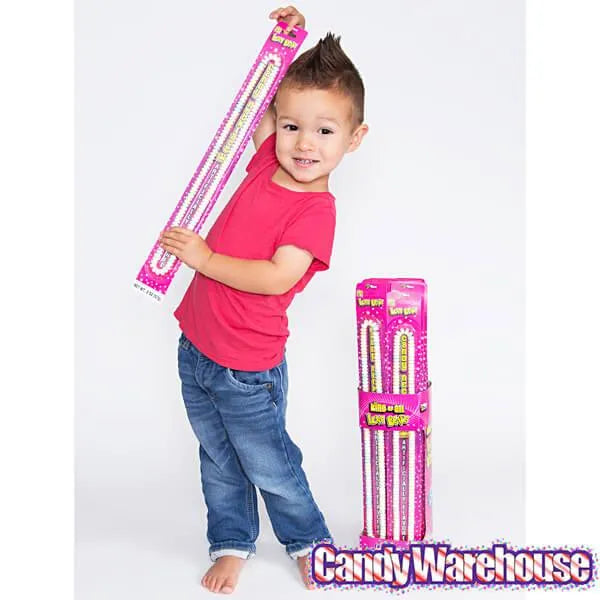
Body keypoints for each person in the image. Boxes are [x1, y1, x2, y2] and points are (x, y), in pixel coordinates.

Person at [159, 5, 369, 593]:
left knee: (271, 465)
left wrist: (204, 259)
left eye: (324, 131)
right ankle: (232, 541)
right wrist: (285, 42)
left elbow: (278, 277)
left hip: (248, 368)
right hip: (196, 349)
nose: (303, 143)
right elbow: (258, 107)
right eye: (292, 126)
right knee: (217, 458)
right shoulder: (263, 161)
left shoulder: (315, 211)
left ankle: (310, 544)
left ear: (354, 139)